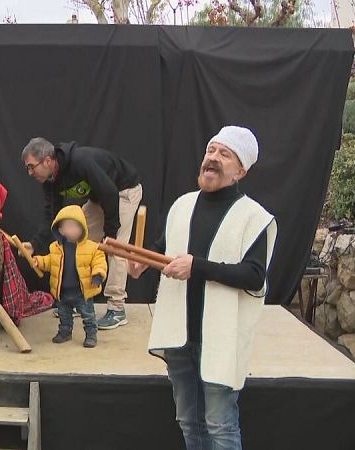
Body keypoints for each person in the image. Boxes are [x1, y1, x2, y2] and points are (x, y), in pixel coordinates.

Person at [128, 126, 277, 450]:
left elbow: (254, 276)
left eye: (224, 154)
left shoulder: (256, 218)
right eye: (211, 150)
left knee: (219, 426)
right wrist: (142, 264)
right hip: (180, 336)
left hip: (220, 338)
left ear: (241, 170)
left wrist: (196, 266)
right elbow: (165, 252)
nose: (212, 158)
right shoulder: (182, 205)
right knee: (188, 422)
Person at [22, 137, 142, 331]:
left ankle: (117, 308)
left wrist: (109, 235)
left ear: (47, 160)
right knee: (74, 237)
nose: (29, 172)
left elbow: (110, 192)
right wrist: (35, 244)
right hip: (100, 198)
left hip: (123, 191)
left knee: (116, 247)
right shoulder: (50, 181)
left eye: (31, 166)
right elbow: (51, 216)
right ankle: (78, 299)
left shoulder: (79, 161)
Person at [33, 205, 107, 348]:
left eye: (75, 226)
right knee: (64, 315)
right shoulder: (55, 248)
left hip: (82, 291)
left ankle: (91, 334)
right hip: (63, 292)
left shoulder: (92, 247)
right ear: (60, 230)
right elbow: (50, 262)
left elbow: (99, 262)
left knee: (88, 315)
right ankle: (65, 332)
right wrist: (39, 261)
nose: (72, 230)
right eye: (68, 226)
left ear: (83, 228)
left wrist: (98, 274)